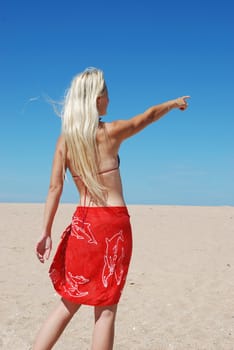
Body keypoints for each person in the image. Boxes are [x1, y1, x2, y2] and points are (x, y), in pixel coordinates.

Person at [34, 67, 190, 350]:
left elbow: (54, 188)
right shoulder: (112, 132)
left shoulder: (65, 141)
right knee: (105, 310)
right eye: (105, 92)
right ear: (96, 98)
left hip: (83, 225)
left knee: (69, 302)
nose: (109, 97)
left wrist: (45, 231)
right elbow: (148, 116)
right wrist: (172, 103)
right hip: (112, 225)